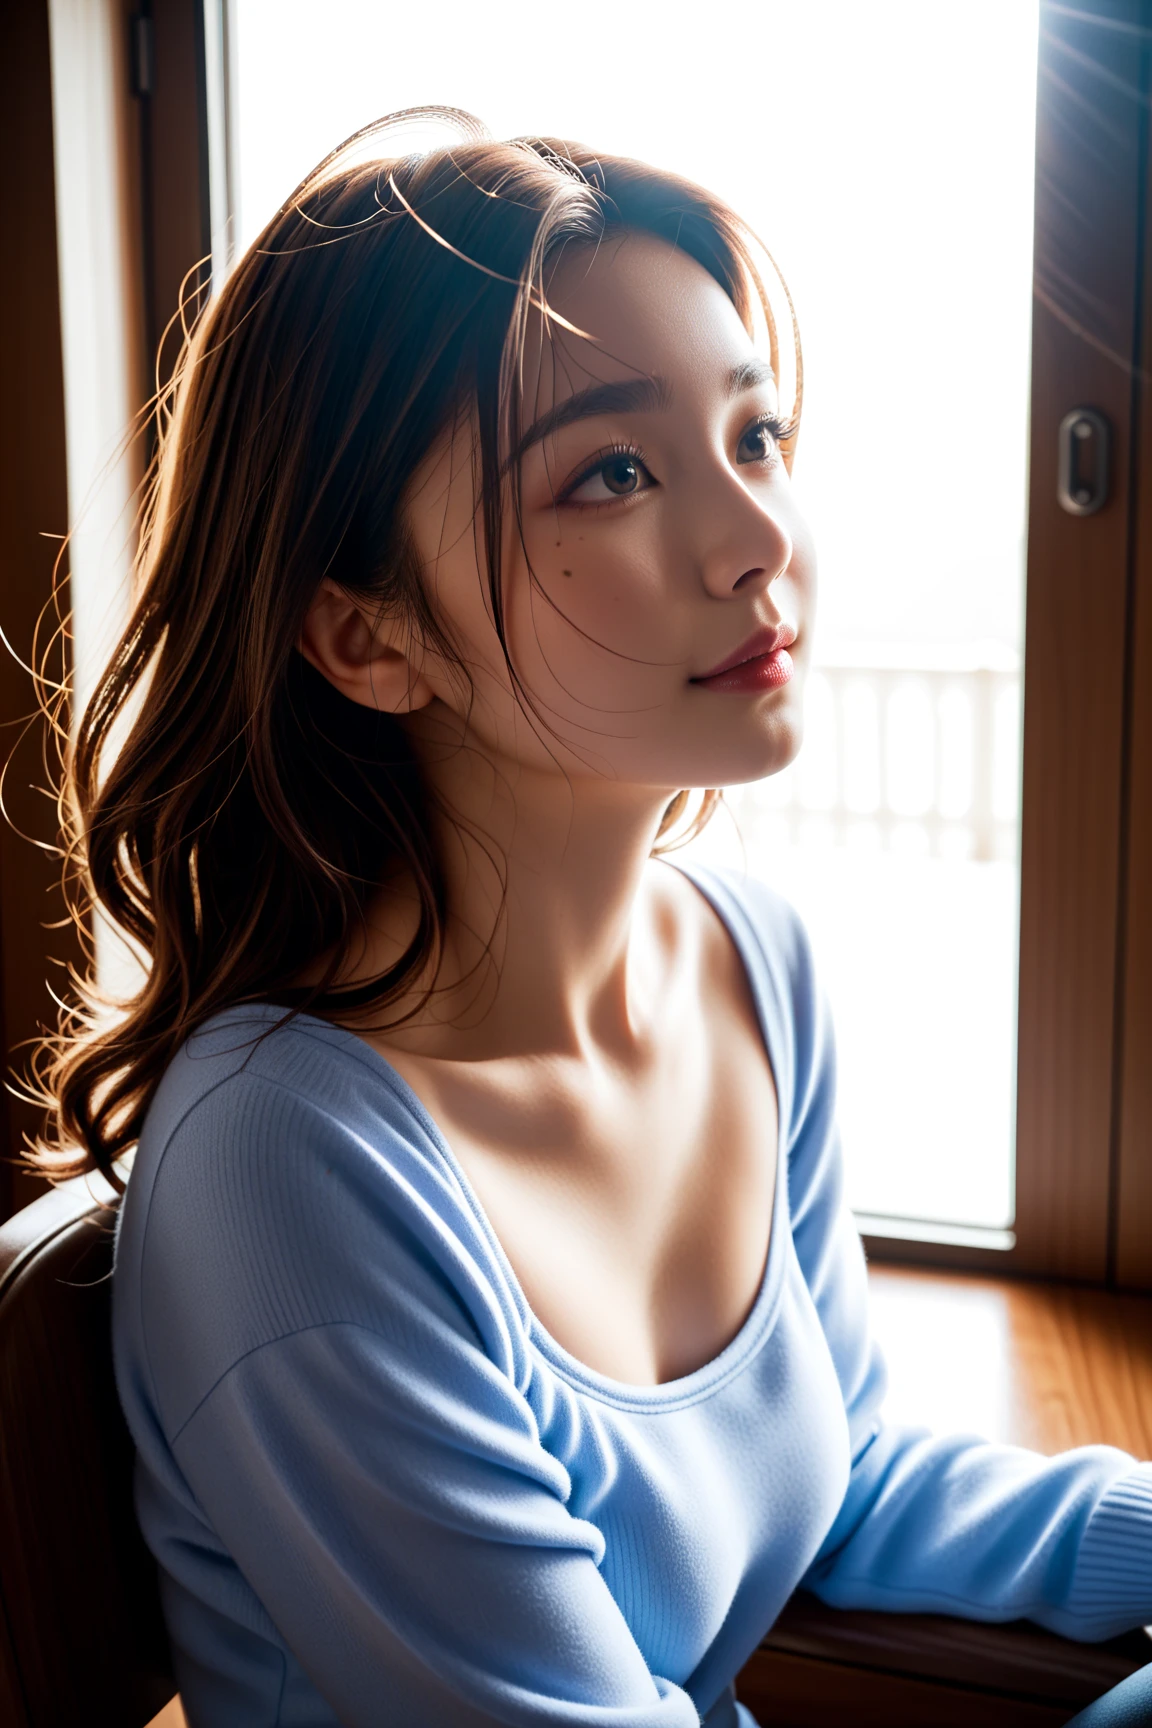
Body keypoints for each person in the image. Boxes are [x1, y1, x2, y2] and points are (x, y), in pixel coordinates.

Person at [29, 112, 1152, 1727]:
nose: (757, 538)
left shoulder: (753, 968)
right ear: (363, 634)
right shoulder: (290, 1166)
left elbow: (841, 1479)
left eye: (755, 438)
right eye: (614, 472)